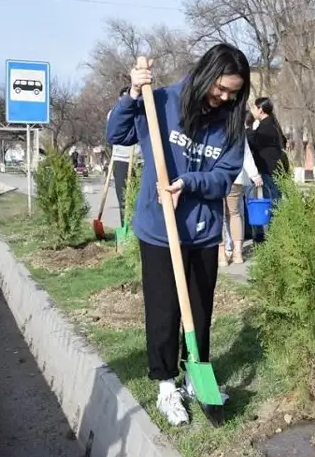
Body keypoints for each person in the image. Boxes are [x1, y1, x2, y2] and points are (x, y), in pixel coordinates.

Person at [106, 43, 250, 426]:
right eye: (220, 88)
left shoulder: (232, 122)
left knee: (200, 310)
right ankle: (166, 385)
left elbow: (224, 176)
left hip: (201, 231)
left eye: (233, 93)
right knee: (164, 309)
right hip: (159, 229)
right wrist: (134, 95)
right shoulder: (162, 101)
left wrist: (188, 182)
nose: (224, 98)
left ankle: (195, 376)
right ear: (205, 74)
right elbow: (117, 134)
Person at [245, 97, 289, 243]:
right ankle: (273, 234)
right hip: (275, 169)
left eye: (254, 108)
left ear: (260, 109)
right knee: (273, 201)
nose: (252, 111)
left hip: (268, 170)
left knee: (269, 202)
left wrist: (248, 129)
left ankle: (267, 236)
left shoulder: (265, 127)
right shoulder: (273, 125)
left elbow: (252, 143)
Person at [219, 140, 262, 266]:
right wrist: (254, 175)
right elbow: (246, 154)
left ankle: (221, 255)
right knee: (234, 213)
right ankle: (238, 253)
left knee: (218, 215)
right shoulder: (237, 128)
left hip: (216, 176)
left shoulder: (212, 124)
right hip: (236, 177)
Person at [108, 87, 139, 226]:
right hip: (121, 160)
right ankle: (124, 226)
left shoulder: (141, 112)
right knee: (123, 198)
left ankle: (136, 230)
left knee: (138, 199)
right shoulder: (114, 114)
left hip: (139, 161)